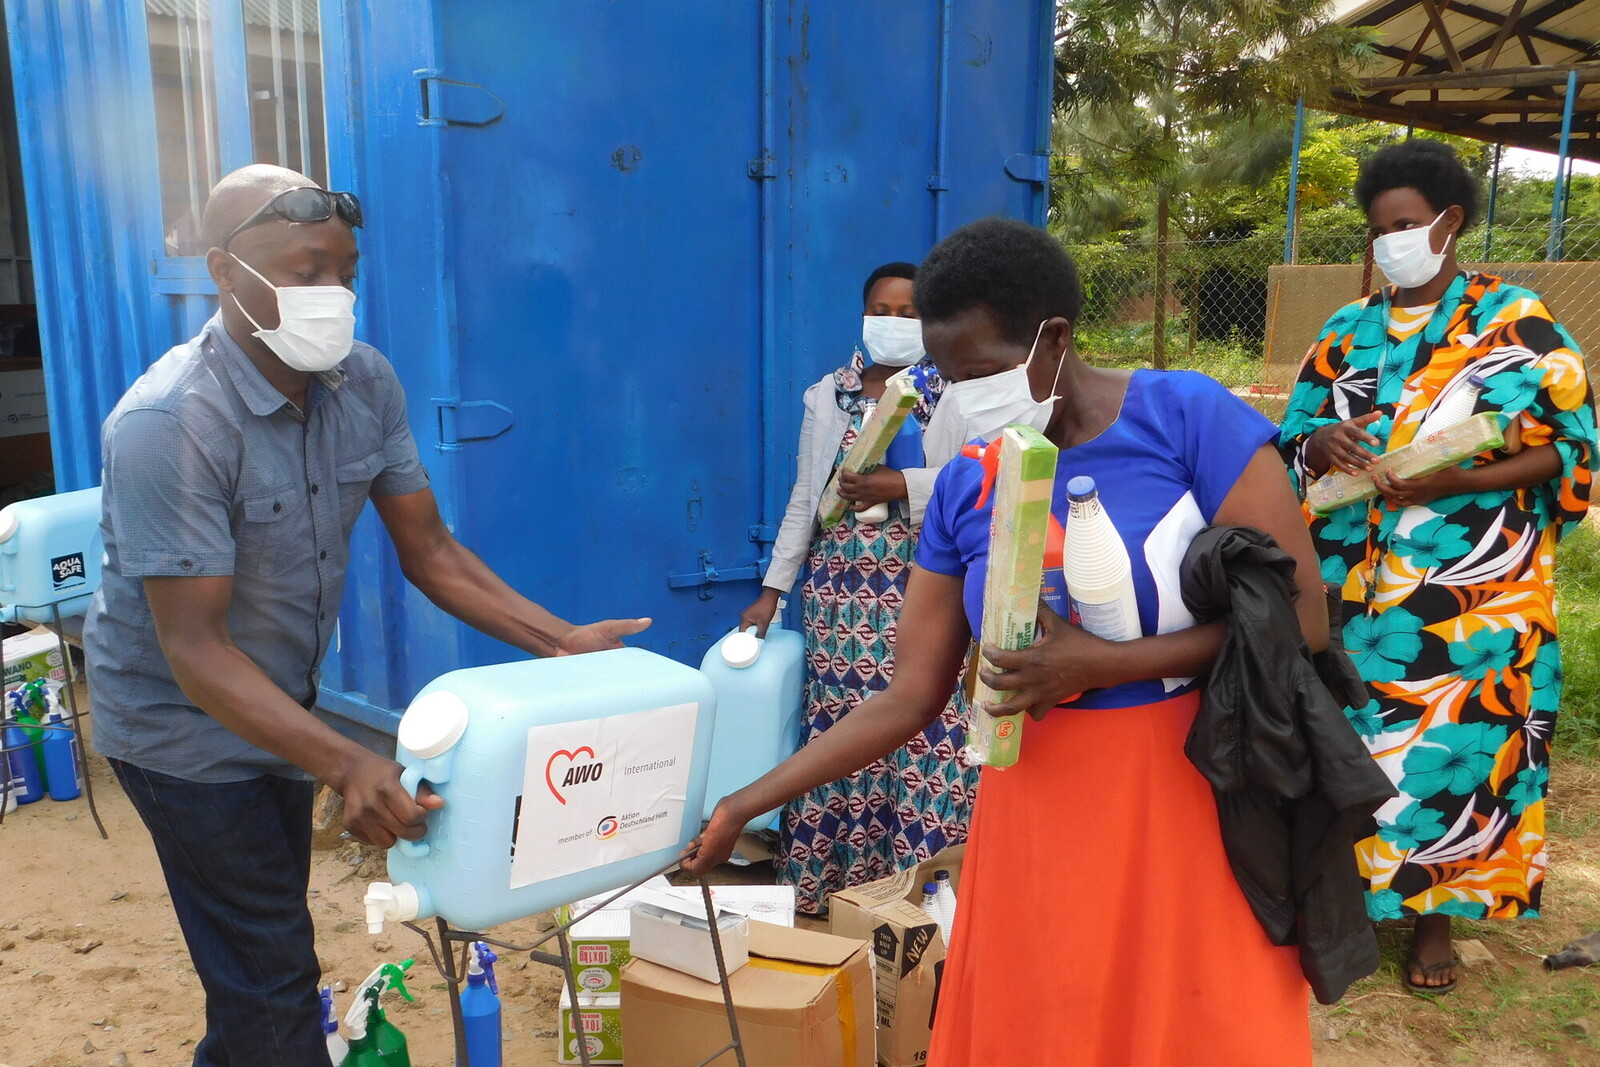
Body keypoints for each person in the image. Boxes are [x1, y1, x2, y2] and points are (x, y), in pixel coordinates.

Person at [693, 216, 1328, 1065]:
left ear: (1054, 338)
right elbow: (908, 694)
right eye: (948, 379)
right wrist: (744, 801)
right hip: (1036, 798)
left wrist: (1106, 665)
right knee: (1049, 1016)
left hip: (1195, 786)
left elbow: (1302, 619)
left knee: (1189, 1014)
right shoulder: (967, 485)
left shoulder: (1186, 419)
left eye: (983, 373)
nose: (963, 400)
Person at [83, 164, 649, 1066]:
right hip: (178, 728)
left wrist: (564, 644)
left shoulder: (363, 382)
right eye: (305, 272)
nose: (333, 295)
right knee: (271, 976)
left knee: (257, 964)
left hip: (278, 708)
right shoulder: (170, 422)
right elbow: (193, 650)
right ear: (227, 274)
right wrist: (348, 758)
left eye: (344, 272)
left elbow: (432, 552)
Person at [1278, 138, 1596, 995]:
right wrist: (1317, 440)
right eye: (1379, 229)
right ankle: (1350, 901)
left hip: (1472, 591)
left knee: (1458, 741)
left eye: (1406, 224)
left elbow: (1569, 449)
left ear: (1450, 222)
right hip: (1357, 585)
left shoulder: (1517, 322)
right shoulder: (1347, 330)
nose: (1390, 243)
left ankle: (1434, 921)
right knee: (1357, 741)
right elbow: (1286, 442)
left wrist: (1466, 479)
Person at [736, 262, 978, 915]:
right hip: (837, 593)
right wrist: (773, 590)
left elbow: (972, 482)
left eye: (908, 312)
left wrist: (900, 486)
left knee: (925, 720)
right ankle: (835, 888)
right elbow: (804, 499)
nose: (894, 322)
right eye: (883, 310)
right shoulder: (828, 394)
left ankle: (921, 888)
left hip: (920, 580)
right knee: (838, 729)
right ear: (863, 314)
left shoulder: (945, 393)